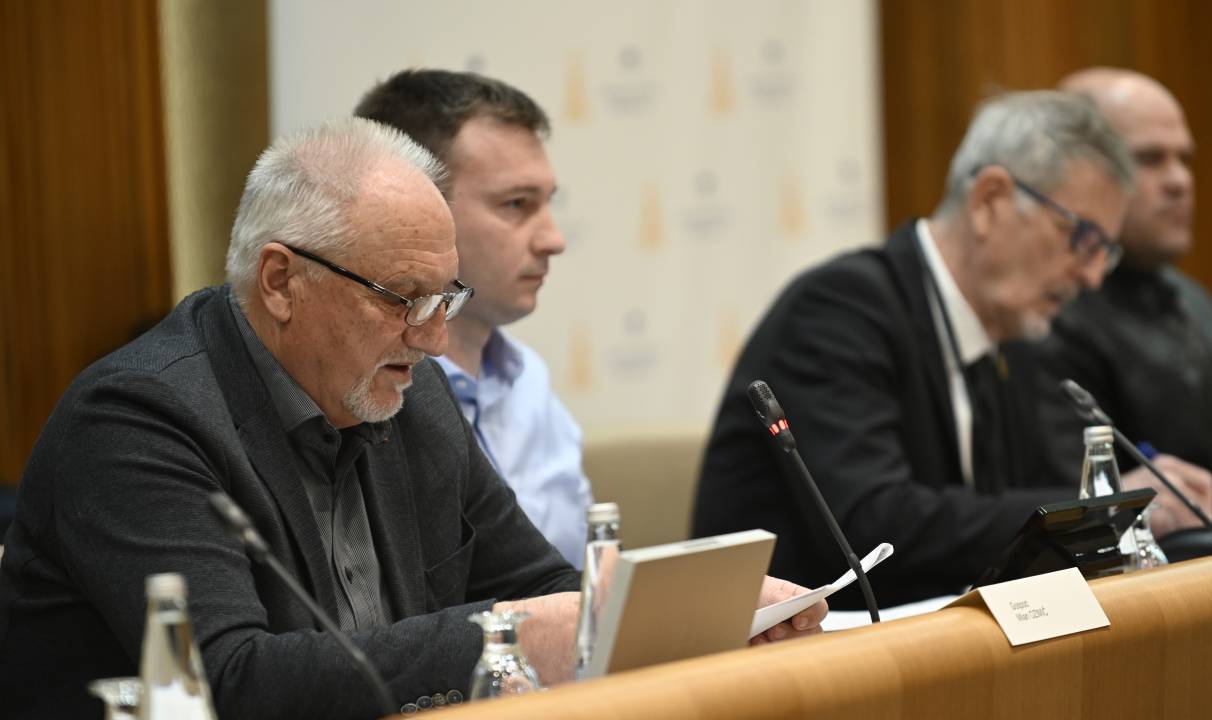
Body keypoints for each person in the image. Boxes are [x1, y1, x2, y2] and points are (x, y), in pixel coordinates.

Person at [0, 118, 823, 720]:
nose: (432, 338)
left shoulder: (406, 389)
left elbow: (539, 590)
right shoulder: (139, 422)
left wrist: (701, 617)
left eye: (445, 299)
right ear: (281, 282)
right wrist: (504, 633)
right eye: (402, 299)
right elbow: (231, 684)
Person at [694, 91, 1212, 609]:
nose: (1093, 276)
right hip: (792, 650)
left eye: (1106, 251)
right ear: (990, 201)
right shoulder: (840, 309)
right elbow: (873, 525)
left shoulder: (1013, 337)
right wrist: (1096, 508)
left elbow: (1007, 512)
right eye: (1082, 238)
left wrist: (1111, 511)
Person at [354, 70, 593, 566]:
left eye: (547, 203)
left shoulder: (527, 379)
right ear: (414, 206)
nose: (553, 239)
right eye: (516, 204)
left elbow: (583, 574)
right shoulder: (364, 395)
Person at [1033, 68, 1212, 522]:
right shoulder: (1047, 315)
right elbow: (1076, 508)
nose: (1179, 180)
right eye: (1149, 159)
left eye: (1184, 159)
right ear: (1073, 170)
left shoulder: (1195, 299)